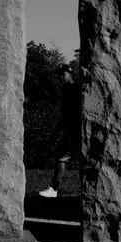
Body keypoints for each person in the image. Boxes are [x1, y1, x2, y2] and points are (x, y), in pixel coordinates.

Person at [38, 63, 82, 198]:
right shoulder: (65, 90)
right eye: (59, 75)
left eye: (62, 75)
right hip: (70, 130)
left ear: (69, 74)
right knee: (62, 158)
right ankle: (54, 188)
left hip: (76, 130)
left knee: (63, 158)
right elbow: (64, 115)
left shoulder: (76, 88)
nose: (60, 77)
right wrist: (57, 131)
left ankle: (54, 189)